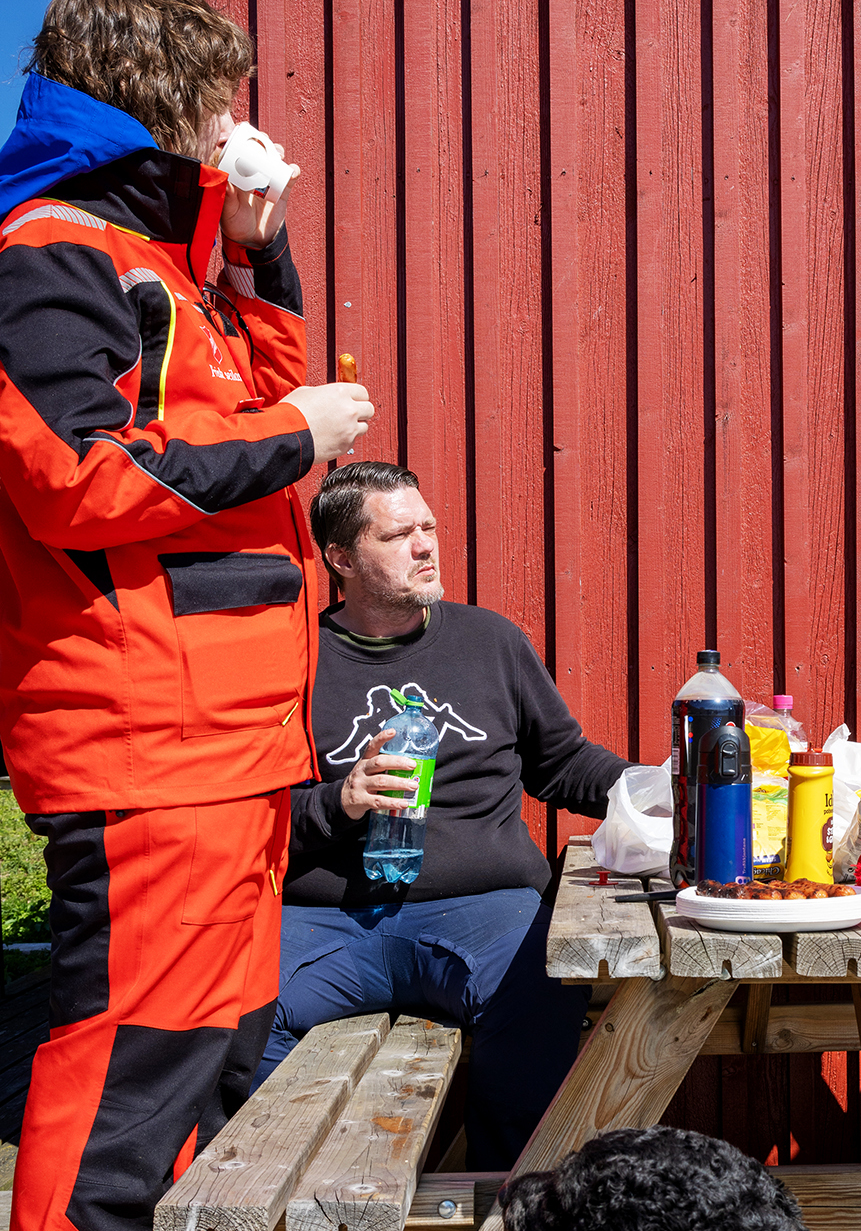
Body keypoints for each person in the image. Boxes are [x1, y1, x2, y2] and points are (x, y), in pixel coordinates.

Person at [0, 0, 376, 1231]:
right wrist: (298, 445)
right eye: (221, 104)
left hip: (224, 734)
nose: (240, 128)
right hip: (141, 739)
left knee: (204, 1065)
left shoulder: (166, 266)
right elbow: (78, 474)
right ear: (164, 103)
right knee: (125, 1081)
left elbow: (256, 399)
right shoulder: (47, 260)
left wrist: (257, 247)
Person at [258, 461, 632, 1174]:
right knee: (233, 1009)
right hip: (326, 918)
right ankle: (281, 1227)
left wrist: (661, 790)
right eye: (399, 534)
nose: (426, 545)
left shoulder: (488, 641)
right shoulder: (292, 660)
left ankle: (509, 1222)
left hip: (480, 910)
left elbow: (562, 764)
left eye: (428, 526)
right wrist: (339, 799)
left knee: (543, 987)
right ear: (340, 557)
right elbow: (251, 807)